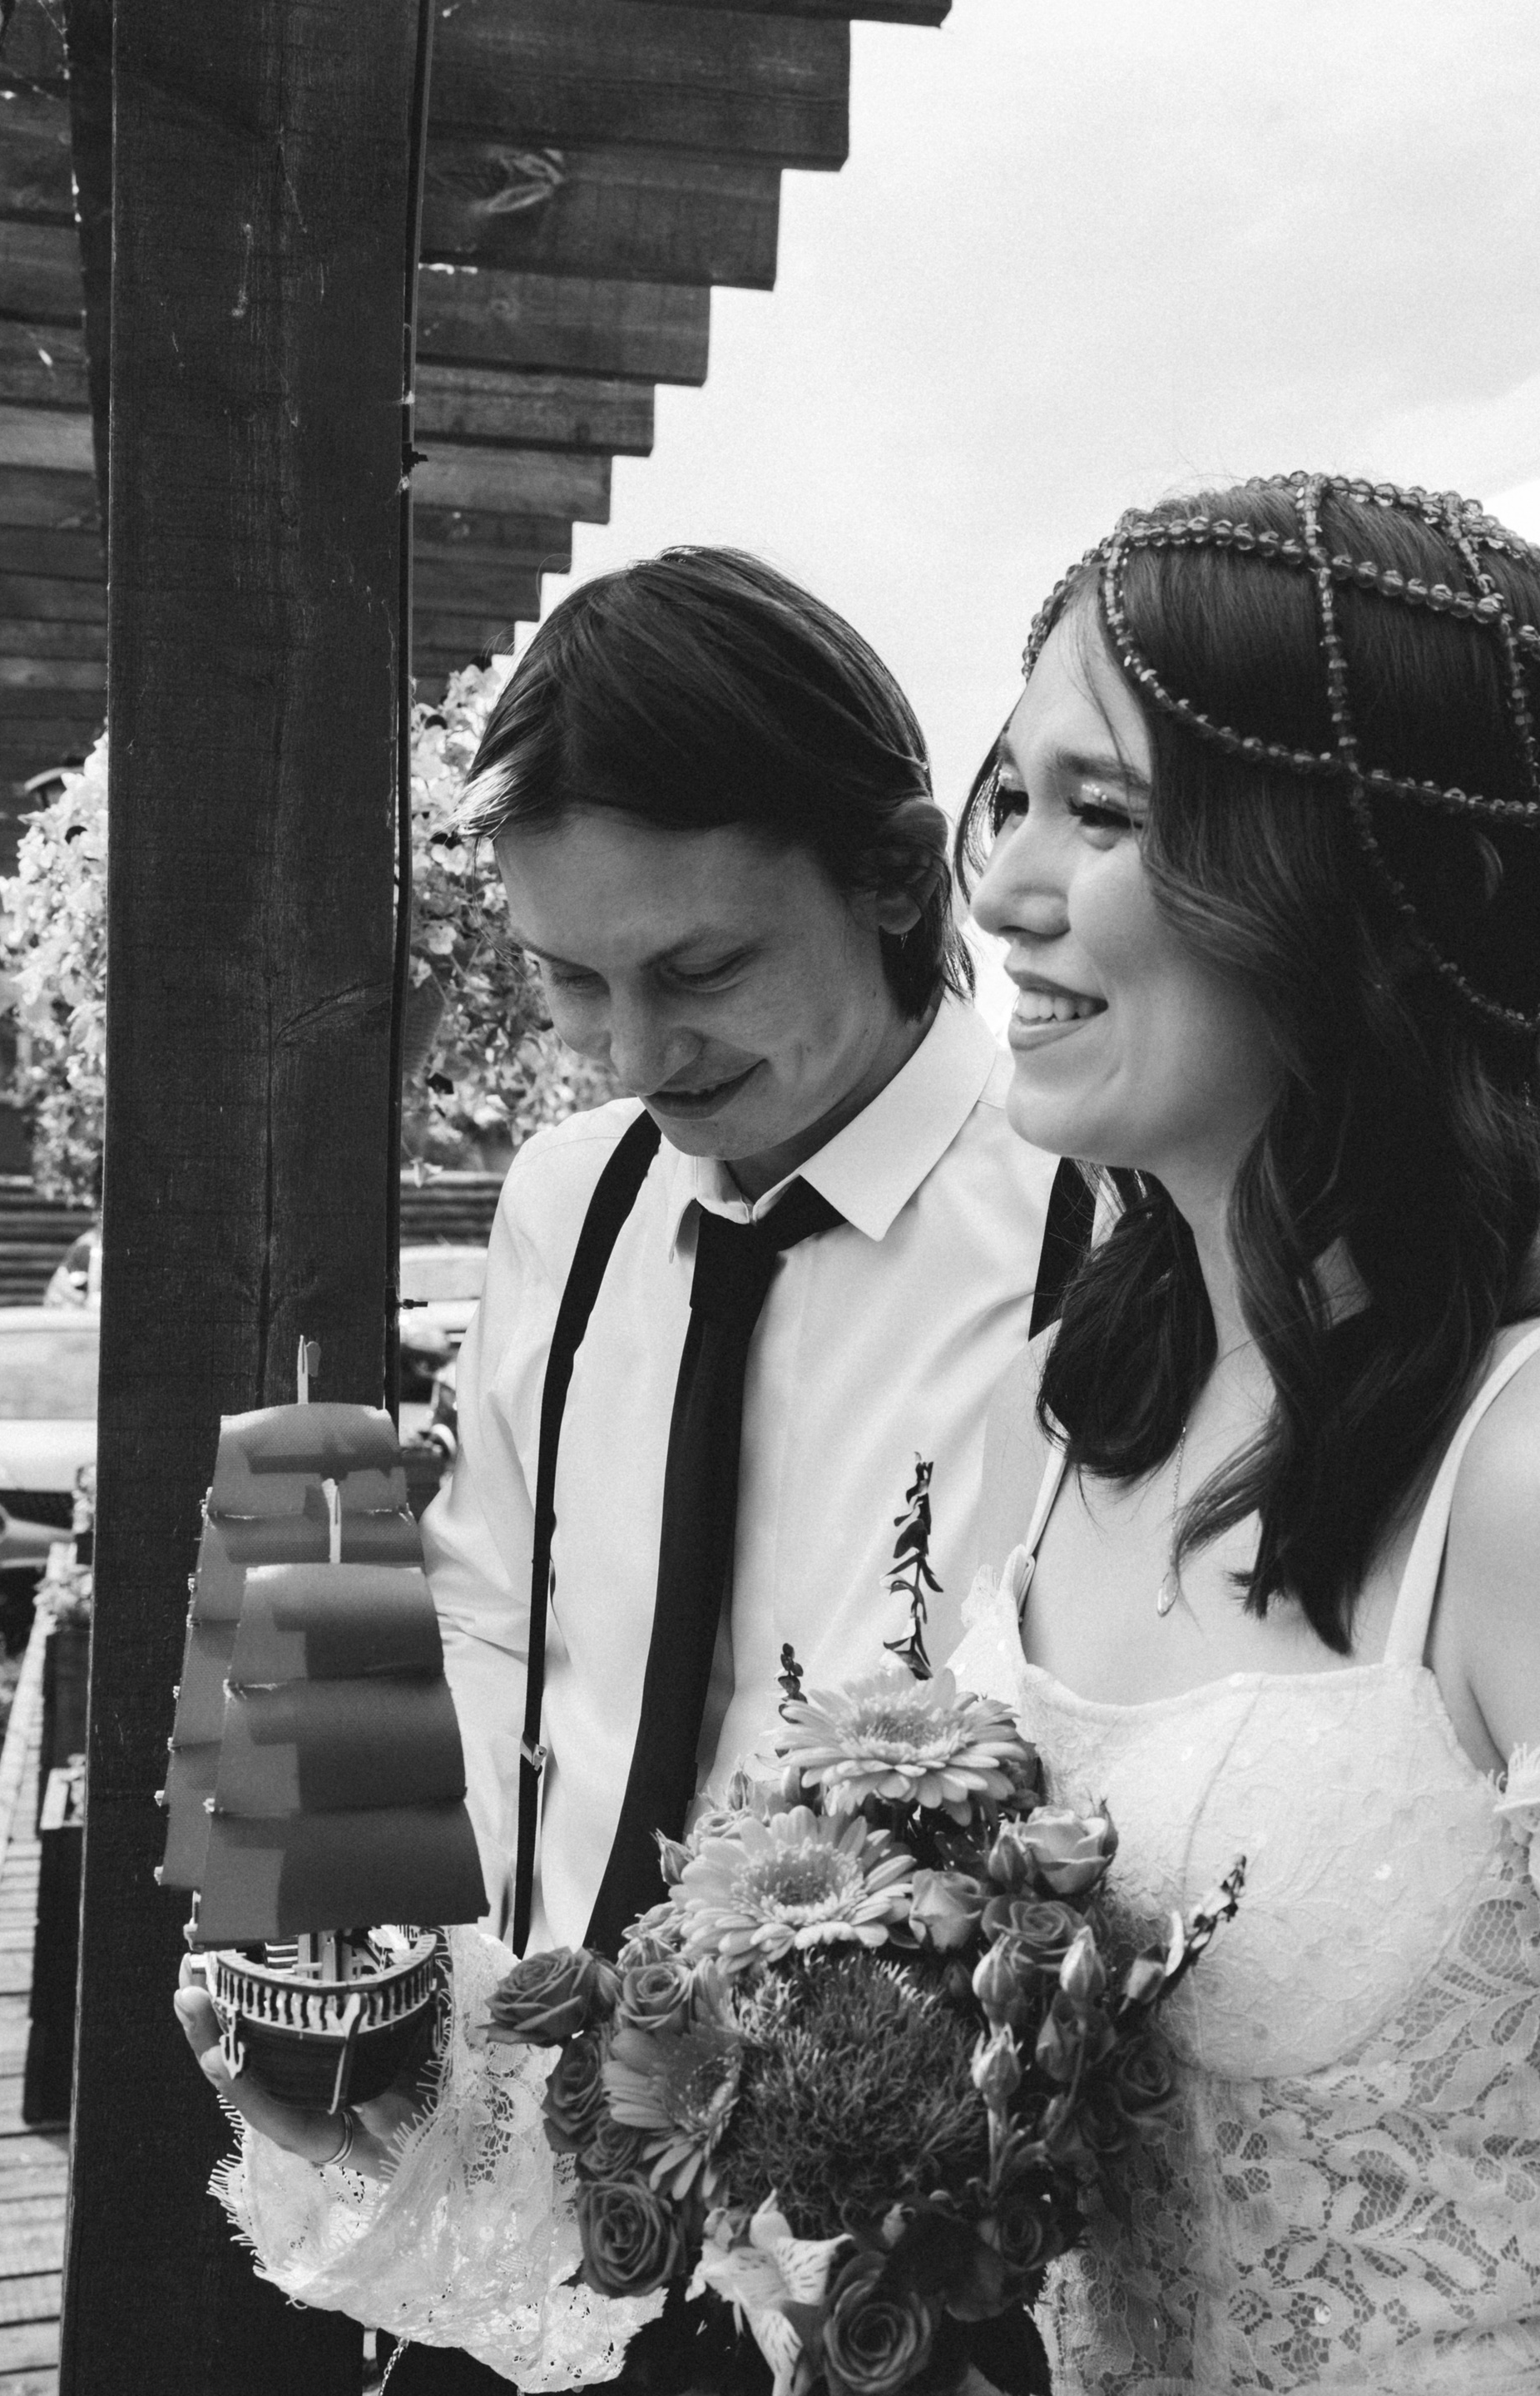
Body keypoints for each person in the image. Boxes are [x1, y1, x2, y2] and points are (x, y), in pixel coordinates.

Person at [176, 547, 1059, 2390]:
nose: (635, 1058)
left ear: (902, 875)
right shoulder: (566, 1203)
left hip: (887, 2270)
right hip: (533, 2200)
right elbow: (500, 1618)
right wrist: (376, 1966)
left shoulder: (1095, 1232)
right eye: (572, 982)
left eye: (702, 969)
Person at [950, 473, 1540, 2393]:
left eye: (1106, 813)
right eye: (1014, 795)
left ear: (1374, 889)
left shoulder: (1516, 1474)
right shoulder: (1054, 1413)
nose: (1007, 889)